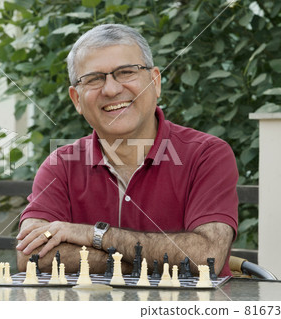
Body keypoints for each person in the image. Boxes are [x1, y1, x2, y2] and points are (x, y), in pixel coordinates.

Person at [16, 24, 238, 277]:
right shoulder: (61, 164)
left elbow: (206, 258)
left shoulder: (207, 154)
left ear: (155, 82)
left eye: (126, 72)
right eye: (94, 79)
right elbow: (31, 255)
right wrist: (144, 264)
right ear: (77, 99)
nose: (111, 89)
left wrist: (92, 234)